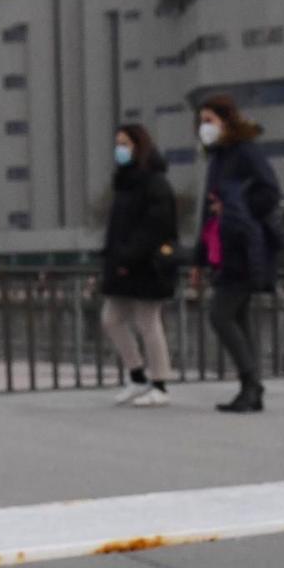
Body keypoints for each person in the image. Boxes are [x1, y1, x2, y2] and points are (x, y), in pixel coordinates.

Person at [193, 94, 282, 414]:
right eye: (201, 122)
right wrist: (200, 259)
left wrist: (236, 208)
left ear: (226, 121)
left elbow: (269, 191)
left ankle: (252, 384)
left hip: (244, 246)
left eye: (209, 121)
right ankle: (250, 388)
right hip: (224, 246)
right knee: (238, 318)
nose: (204, 128)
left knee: (221, 315)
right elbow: (209, 212)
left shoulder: (245, 151)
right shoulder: (219, 157)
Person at [99, 123, 180, 407]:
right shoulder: (124, 182)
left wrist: (129, 256)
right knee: (111, 319)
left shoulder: (154, 182)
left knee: (148, 322)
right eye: (118, 143)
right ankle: (136, 375)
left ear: (139, 146)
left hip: (147, 264)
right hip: (122, 263)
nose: (119, 149)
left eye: (125, 144)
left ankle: (159, 383)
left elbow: (155, 227)